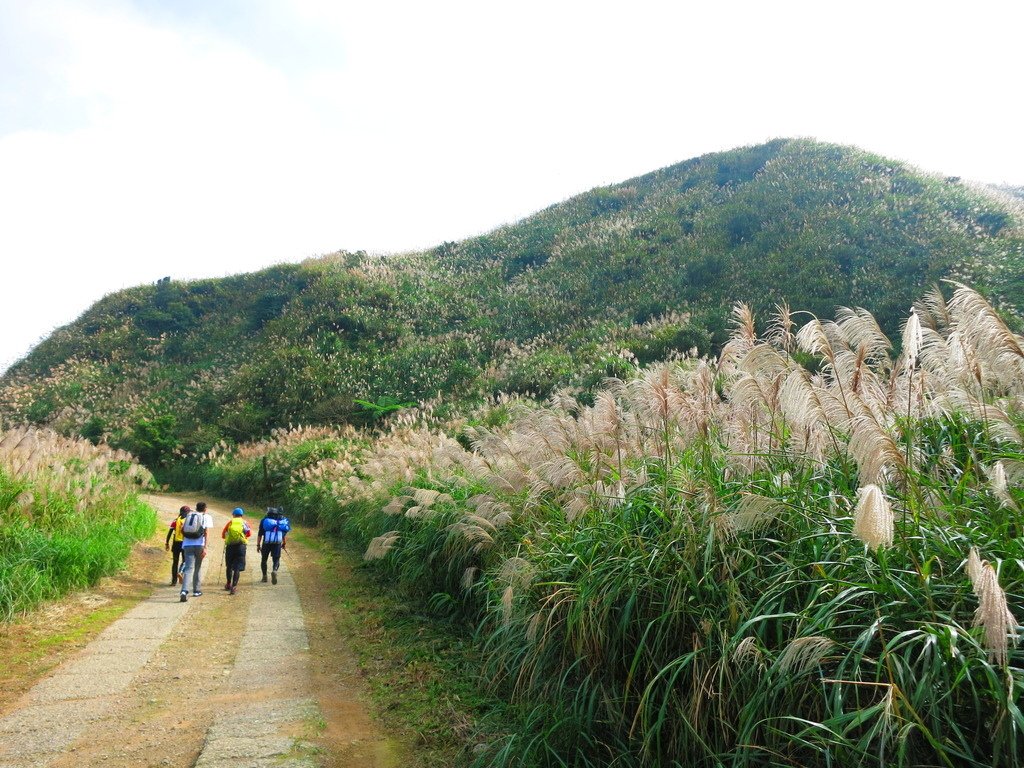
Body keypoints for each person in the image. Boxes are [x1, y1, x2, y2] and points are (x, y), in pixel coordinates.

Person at [179, 504, 209, 602]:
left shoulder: (189, 515)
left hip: (187, 545)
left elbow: (182, 529)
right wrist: (205, 547)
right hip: (199, 544)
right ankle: (196, 591)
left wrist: (184, 542)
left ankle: (184, 591)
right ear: (205, 509)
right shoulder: (205, 517)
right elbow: (206, 533)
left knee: (188, 568)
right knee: (198, 567)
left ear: (196, 508)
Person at [222, 507, 252, 595]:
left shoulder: (230, 522)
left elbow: (223, 535)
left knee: (229, 566)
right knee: (237, 567)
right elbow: (249, 534)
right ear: (242, 515)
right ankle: (234, 587)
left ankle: (228, 584)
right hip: (241, 547)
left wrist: (228, 538)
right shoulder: (245, 523)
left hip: (230, 546)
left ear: (233, 515)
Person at [256, 507, 290, 584]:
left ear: (268, 514)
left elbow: (260, 534)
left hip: (266, 543)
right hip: (277, 543)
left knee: (264, 560)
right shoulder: (279, 522)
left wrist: (258, 545)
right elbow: (282, 534)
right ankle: (274, 570)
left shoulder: (264, 521)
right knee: (276, 559)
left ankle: (264, 577)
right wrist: (284, 543)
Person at [164, 505, 189, 586]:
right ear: (187, 512)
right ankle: (181, 572)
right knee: (185, 561)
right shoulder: (188, 521)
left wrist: (167, 543)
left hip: (176, 544)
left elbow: (169, 533)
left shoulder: (175, 521)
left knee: (175, 562)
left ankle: (173, 581)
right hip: (185, 544)